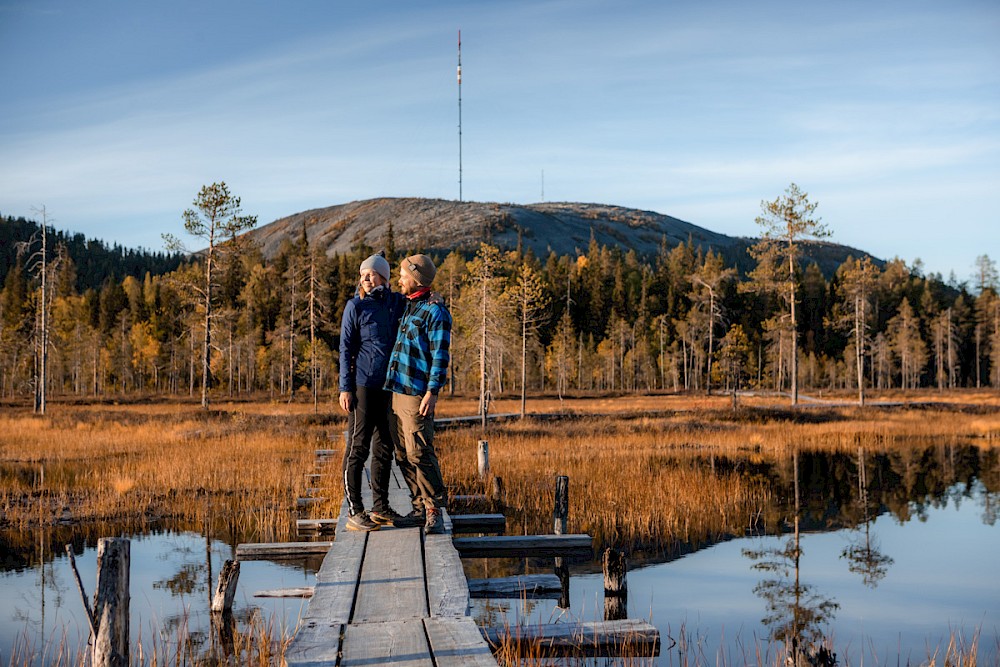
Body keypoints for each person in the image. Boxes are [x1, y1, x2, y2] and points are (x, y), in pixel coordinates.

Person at [338, 251, 415, 531]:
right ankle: (355, 511)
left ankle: (381, 507)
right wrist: (345, 388)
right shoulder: (355, 307)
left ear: (383, 276)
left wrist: (433, 299)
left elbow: (416, 302)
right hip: (362, 386)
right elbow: (345, 350)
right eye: (362, 275)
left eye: (370, 273)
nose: (365, 278)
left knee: (385, 446)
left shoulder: (395, 302)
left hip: (389, 387)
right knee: (358, 448)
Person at [383, 254, 452, 534]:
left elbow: (440, 356)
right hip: (395, 390)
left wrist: (432, 391)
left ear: (416, 279)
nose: (399, 279)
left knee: (419, 451)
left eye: (403, 275)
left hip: (417, 392)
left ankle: (435, 507)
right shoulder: (410, 306)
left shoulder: (435, 312)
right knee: (401, 453)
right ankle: (418, 507)